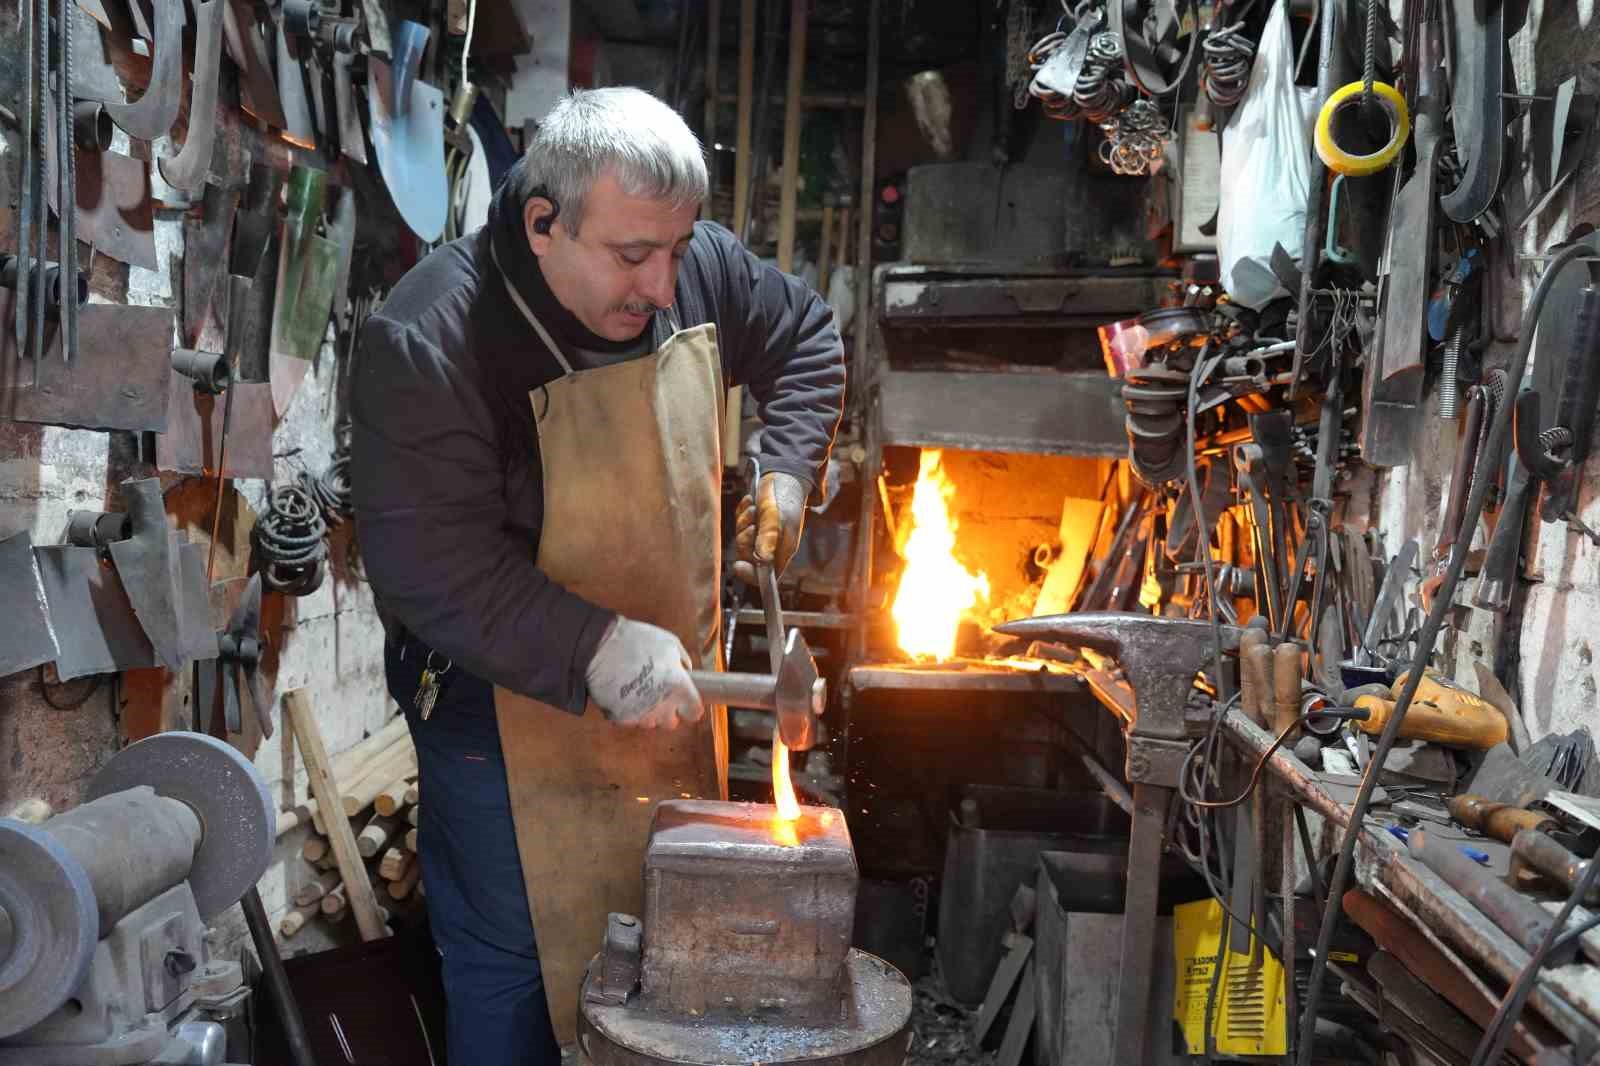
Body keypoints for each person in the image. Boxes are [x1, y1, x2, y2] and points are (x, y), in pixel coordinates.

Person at [349, 86, 845, 1066]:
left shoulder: (687, 265)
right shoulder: (431, 338)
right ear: (543, 224)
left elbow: (805, 340)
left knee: (664, 954)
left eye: (678, 247)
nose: (664, 286)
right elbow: (427, 567)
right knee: (517, 977)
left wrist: (786, 473)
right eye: (630, 257)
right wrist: (595, 645)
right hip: (499, 714)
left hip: (668, 698)